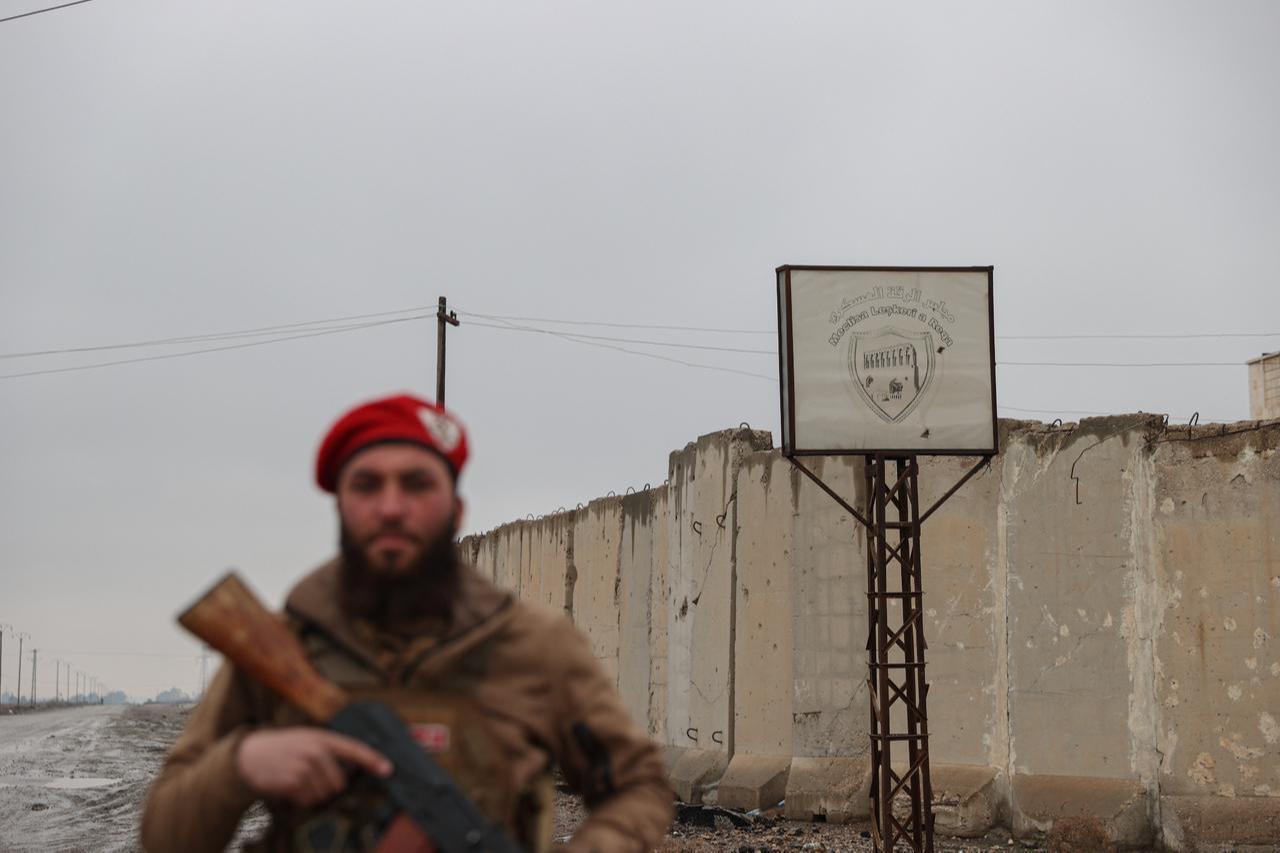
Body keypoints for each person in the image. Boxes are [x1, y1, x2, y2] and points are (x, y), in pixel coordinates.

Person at [141, 394, 674, 852]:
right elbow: (163, 834)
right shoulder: (279, 647)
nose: (392, 508)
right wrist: (240, 764)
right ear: (340, 505)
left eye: (417, 484)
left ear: (457, 511)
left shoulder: (536, 646)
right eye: (367, 485)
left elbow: (639, 788)